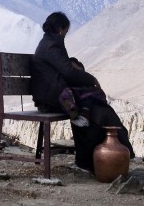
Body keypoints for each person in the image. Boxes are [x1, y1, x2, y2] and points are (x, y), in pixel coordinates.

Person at [30, 11, 134, 173]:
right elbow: (68, 72)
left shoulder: (50, 43)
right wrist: (91, 79)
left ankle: (96, 159)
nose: (65, 35)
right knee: (95, 110)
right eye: (65, 31)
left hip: (55, 93)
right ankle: (91, 160)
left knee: (99, 109)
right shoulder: (51, 46)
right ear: (60, 29)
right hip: (53, 98)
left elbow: (66, 71)